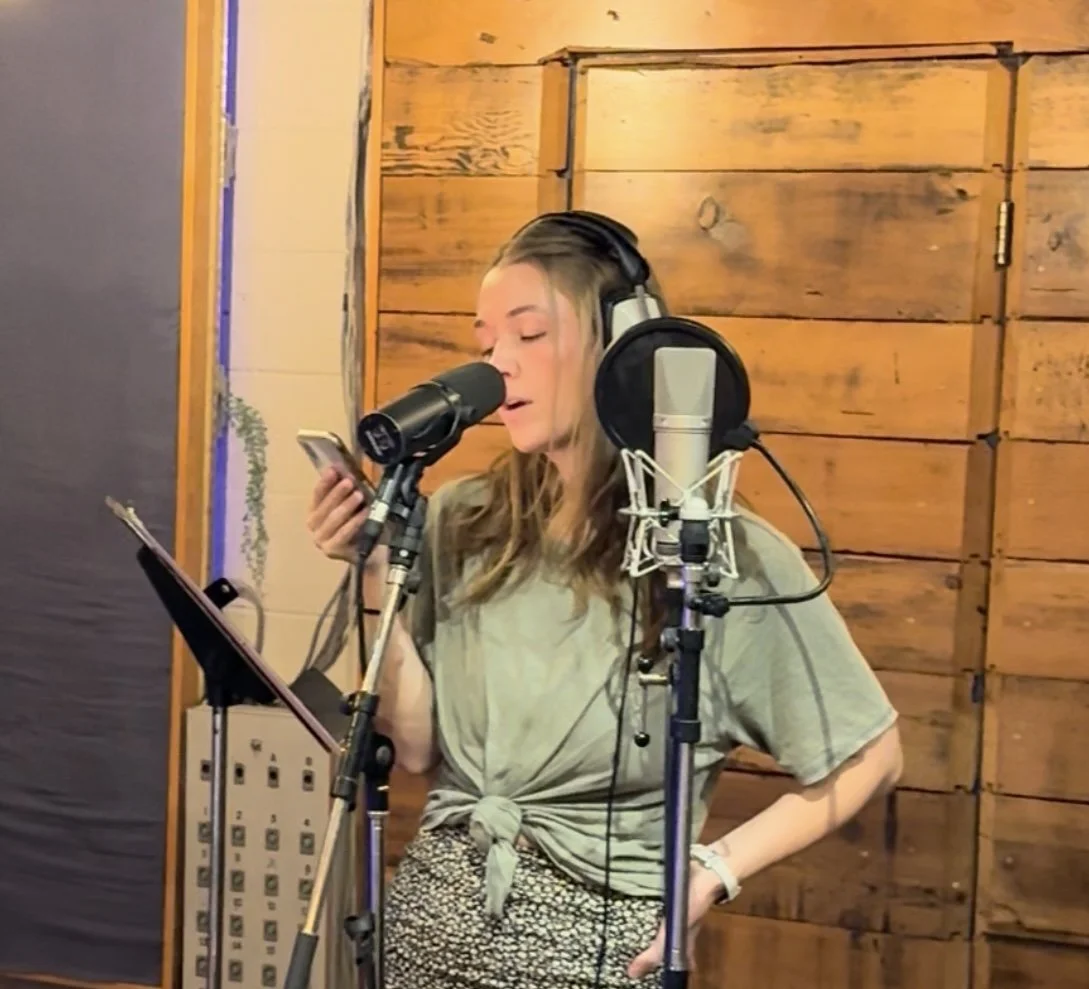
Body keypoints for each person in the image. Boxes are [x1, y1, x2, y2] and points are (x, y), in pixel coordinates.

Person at [305, 211, 903, 988]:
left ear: (622, 346)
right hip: (427, 930)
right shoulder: (461, 518)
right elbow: (416, 748)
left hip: (590, 951)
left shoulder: (717, 554)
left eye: (528, 335)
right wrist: (377, 565)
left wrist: (712, 871)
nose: (498, 364)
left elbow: (870, 754)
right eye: (488, 341)